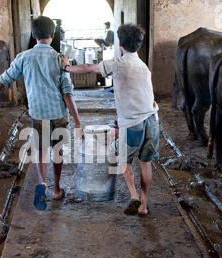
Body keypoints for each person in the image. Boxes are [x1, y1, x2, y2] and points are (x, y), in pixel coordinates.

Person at [0, 16, 82, 212]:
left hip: (39, 113)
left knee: (41, 150)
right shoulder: (60, 59)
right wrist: (77, 120)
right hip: (59, 113)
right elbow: (67, 92)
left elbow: (4, 79)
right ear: (52, 36)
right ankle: (56, 189)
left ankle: (41, 183)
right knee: (57, 151)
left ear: (34, 35)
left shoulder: (23, 57)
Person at [61, 24, 159, 217]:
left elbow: (89, 68)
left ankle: (133, 195)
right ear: (139, 44)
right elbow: (140, 95)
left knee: (121, 158)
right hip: (152, 119)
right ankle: (144, 205)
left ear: (120, 43)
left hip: (133, 124)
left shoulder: (117, 64)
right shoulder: (144, 67)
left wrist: (66, 67)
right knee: (146, 163)